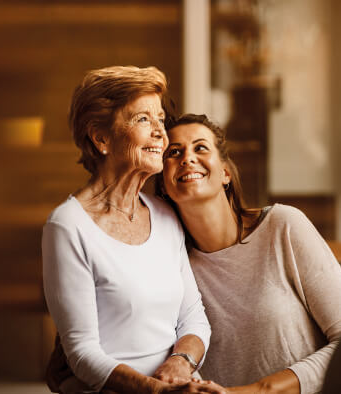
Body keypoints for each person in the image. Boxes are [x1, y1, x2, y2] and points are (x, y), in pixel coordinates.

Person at [42, 66, 226, 394]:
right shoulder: (67, 226)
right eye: (143, 119)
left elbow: (194, 317)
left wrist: (180, 362)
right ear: (101, 138)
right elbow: (82, 354)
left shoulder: (166, 214)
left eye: (160, 119)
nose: (160, 132)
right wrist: (156, 390)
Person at [157, 113, 341, 393]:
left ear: (225, 173)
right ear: (163, 184)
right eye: (174, 152)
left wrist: (259, 390)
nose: (187, 158)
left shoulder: (283, 226)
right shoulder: (169, 263)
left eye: (200, 147)